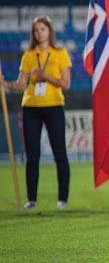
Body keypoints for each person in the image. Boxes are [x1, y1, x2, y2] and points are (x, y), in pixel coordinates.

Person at [2, 16, 72, 210]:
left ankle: (63, 199)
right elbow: (20, 84)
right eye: (36, 30)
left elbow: (66, 83)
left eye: (42, 29)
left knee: (60, 154)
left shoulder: (60, 53)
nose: (39, 33)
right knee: (32, 155)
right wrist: (5, 84)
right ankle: (31, 199)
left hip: (53, 105)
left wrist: (46, 76)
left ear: (49, 31)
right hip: (31, 106)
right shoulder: (29, 55)